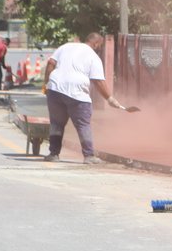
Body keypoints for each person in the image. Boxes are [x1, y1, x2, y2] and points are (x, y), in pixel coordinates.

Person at [42, 32, 126, 164]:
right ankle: (89, 156)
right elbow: (98, 81)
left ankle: (53, 154)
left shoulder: (66, 47)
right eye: (100, 45)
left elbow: (51, 63)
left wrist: (47, 84)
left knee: (57, 123)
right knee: (83, 125)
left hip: (55, 89)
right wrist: (110, 99)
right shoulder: (93, 56)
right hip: (77, 93)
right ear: (97, 44)